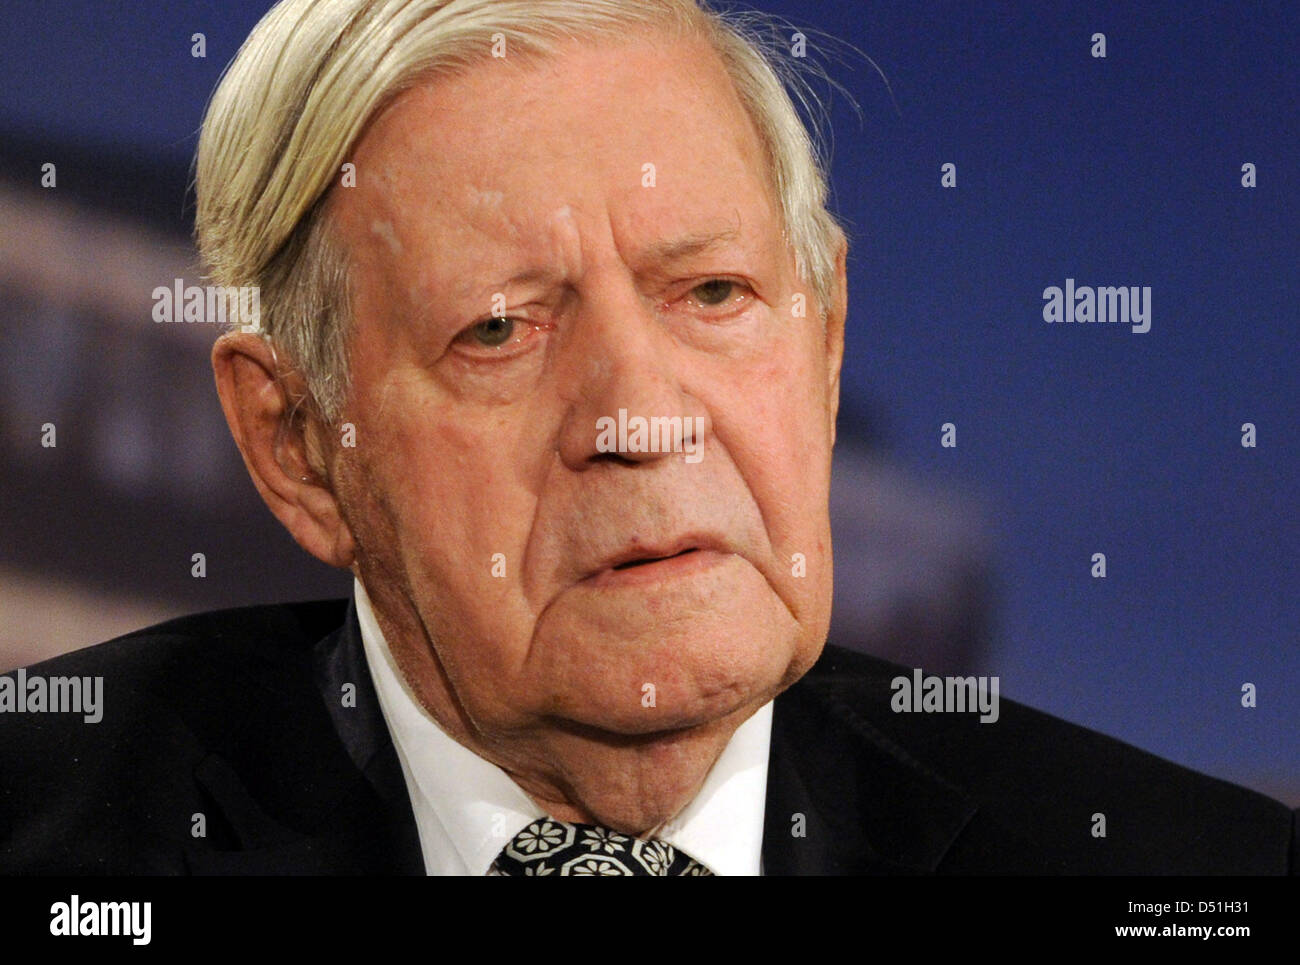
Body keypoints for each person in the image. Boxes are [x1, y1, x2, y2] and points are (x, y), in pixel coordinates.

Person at [1, 0, 1294, 875]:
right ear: (295, 444)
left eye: (715, 294)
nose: (644, 416)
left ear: (827, 342)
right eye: (500, 328)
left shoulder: (1192, 871)